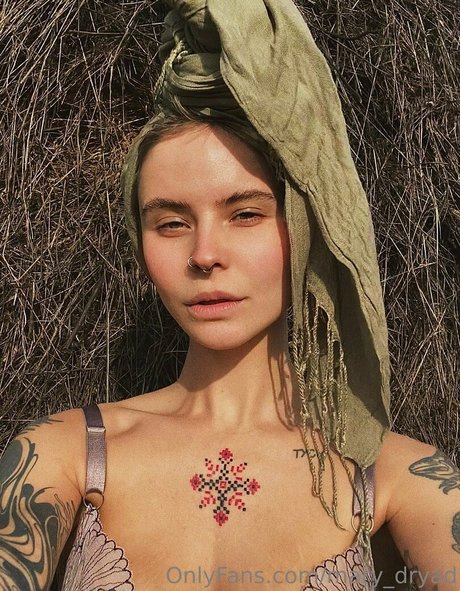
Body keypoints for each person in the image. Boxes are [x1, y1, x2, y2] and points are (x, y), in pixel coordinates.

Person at [0, 1, 458, 590]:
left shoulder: (399, 478)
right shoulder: (66, 453)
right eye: (170, 223)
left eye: (245, 214)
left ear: (307, 230)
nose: (205, 254)